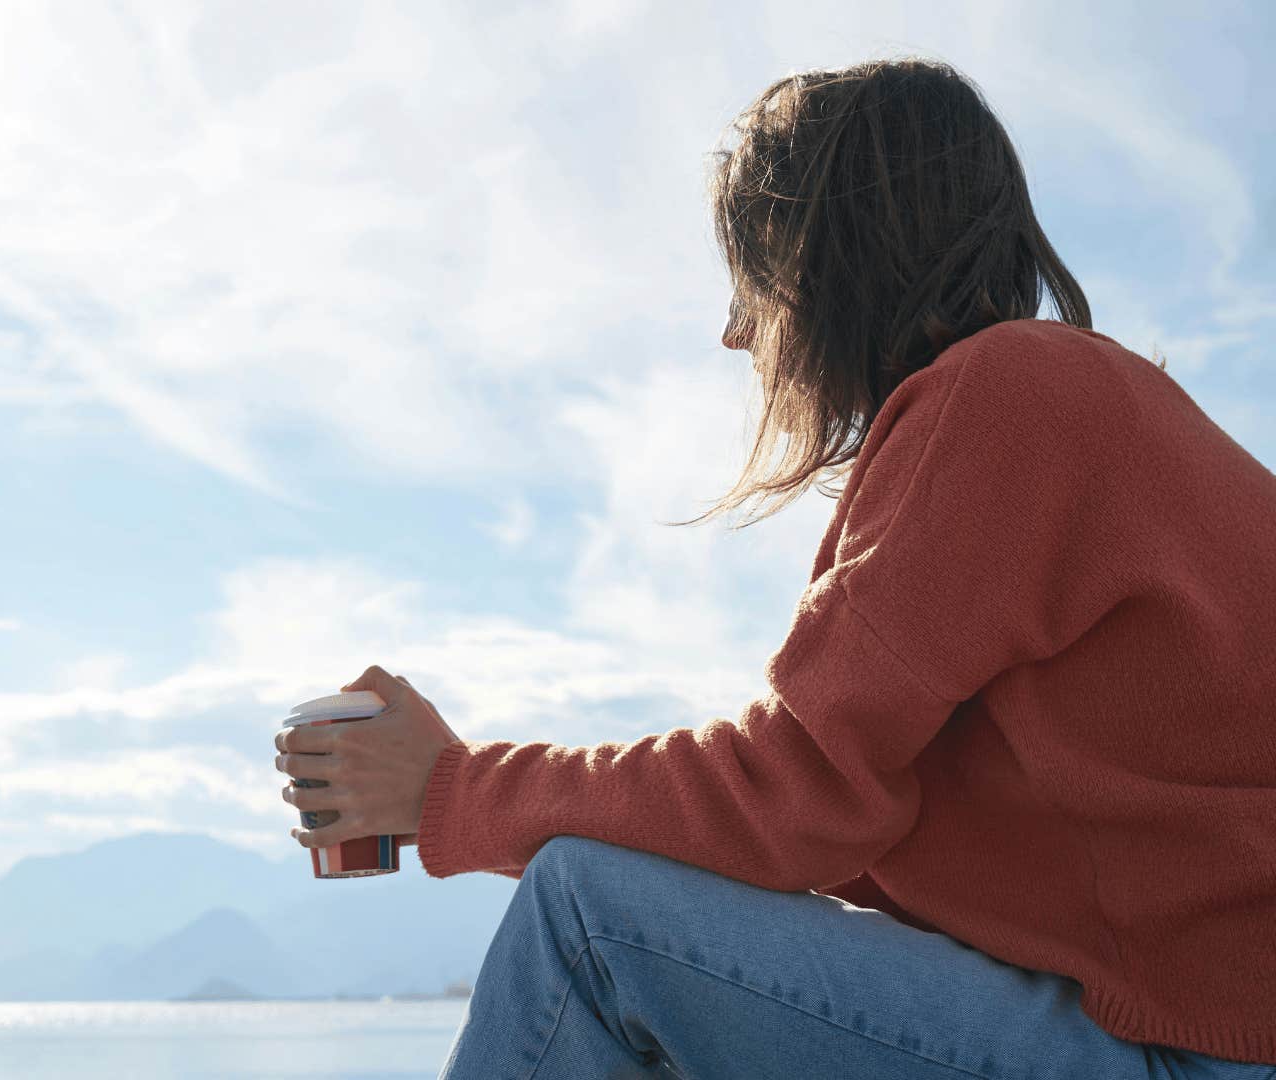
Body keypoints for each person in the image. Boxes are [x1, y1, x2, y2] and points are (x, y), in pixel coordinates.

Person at [271, 58, 1276, 1079]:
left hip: (1191, 1055)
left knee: (586, 917)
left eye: (754, 275)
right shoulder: (1084, 411)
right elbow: (841, 822)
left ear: (830, 259)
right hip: (1190, 1027)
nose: (737, 329)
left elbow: (798, 793)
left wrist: (450, 789)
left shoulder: (1011, 396)